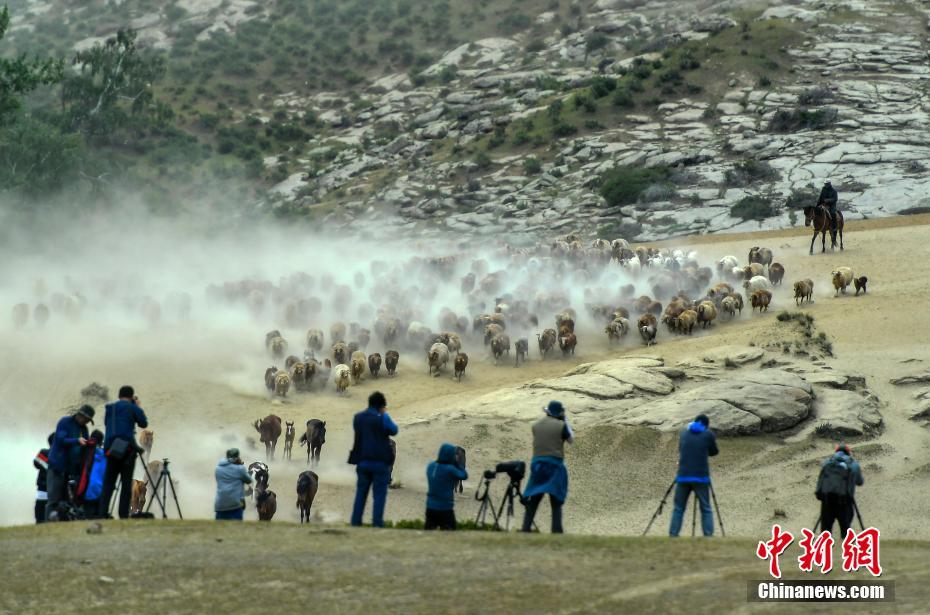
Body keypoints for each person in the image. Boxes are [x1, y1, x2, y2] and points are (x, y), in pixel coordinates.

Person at [521, 401, 573, 534]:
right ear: (560, 413)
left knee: (534, 499)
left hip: (537, 465)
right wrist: (565, 420)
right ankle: (556, 531)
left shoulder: (536, 426)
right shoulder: (561, 425)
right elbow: (571, 439)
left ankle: (525, 528)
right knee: (556, 501)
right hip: (554, 465)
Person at [349, 391, 398, 527]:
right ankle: (377, 523)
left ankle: (355, 522)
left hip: (363, 461)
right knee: (379, 495)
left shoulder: (358, 418)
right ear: (381, 406)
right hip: (380, 464)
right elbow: (394, 430)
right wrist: (384, 415)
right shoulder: (383, 417)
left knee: (361, 494)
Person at [101, 385, 148, 520]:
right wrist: (137, 406)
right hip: (127, 451)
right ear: (131, 396)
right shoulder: (132, 408)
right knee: (126, 484)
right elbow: (143, 423)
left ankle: (102, 513)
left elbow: (106, 423)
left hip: (111, 450)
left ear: (119, 395)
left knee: (108, 483)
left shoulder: (110, 408)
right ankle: (123, 515)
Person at [670, 414, 719, 537]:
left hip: (683, 476)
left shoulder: (683, 433)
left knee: (679, 508)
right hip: (701, 477)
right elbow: (714, 452)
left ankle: (673, 535)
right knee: (706, 508)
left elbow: (681, 449)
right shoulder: (708, 435)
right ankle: (708, 536)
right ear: (706, 425)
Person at [46, 405, 94, 521]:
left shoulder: (84, 429)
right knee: (53, 499)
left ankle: (62, 521)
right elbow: (60, 440)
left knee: (67, 500)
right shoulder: (65, 422)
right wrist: (77, 441)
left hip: (71, 470)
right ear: (80, 415)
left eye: (88, 421)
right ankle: (48, 522)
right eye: (86, 419)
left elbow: (85, 445)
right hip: (57, 466)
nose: (86, 422)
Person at [816, 443, 864, 537]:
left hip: (827, 500)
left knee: (825, 531)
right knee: (845, 531)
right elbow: (860, 482)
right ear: (848, 452)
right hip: (845, 501)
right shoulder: (853, 464)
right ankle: (845, 549)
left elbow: (821, 480)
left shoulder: (827, 462)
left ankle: (823, 549)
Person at [425, 443, 468, 530]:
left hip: (430, 507)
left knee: (428, 534)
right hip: (445, 508)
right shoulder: (450, 469)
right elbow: (464, 475)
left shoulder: (431, 466)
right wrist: (457, 463)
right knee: (449, 535)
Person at [214, 448, 252, 520]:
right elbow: (249, 480)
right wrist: (240, 465)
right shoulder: (240, 469)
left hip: (220, 504)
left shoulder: (218, 468)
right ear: (237, 457)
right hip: (235, 504)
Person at [83, 429, 107, 518]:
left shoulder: (85, 452)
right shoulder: (106, 455)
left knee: (87, 517)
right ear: (101, 442)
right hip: (102, 491)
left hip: (86, 491)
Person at [33, 433, 53, 524]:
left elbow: (36, 463)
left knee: (41, 514)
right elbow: (36, 463)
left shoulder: (44, 453)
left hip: (44, 488)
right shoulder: (45, 453)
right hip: (44, 488)